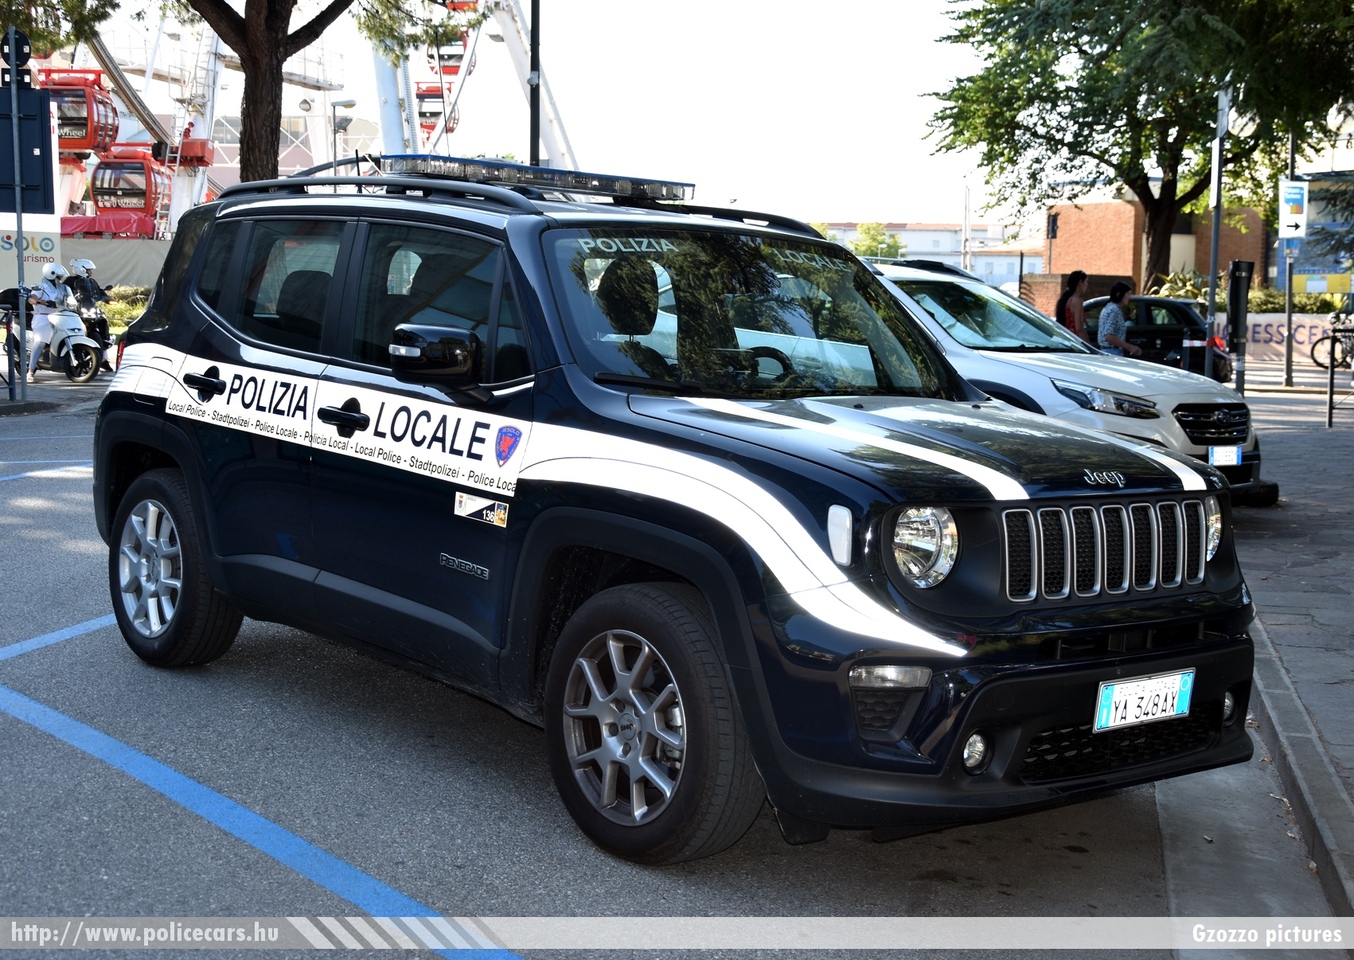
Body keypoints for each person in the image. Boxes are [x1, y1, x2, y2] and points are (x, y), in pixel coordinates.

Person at [24, 263, 74, 383]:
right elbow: (32, 298)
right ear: (51, 275)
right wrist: (39, 302)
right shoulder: (41, 287)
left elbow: (71, 298)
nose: (60, 279)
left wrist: (73, 302)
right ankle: (30, 371)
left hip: (59, 316)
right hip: (43, 318)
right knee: (40, 342)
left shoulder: (64, 288)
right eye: (59, 277)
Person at [68, 258, 114, 369]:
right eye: (89, 270)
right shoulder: (70, 281)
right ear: (81, 269)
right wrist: (69, 299)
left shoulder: (91, 282)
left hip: (89, 309)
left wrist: (107, 298)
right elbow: (64, 292)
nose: (91, 272)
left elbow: (98, 291)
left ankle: (103, 357)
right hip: (76, 310)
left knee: (102, 320)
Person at [1096, 281, 1143, 357]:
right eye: (1128, 294)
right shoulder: (1114, 310)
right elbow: (1109, 336)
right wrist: (1130, 347)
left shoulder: (1109, 307)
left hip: (1109, 351)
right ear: (1119, 294)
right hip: (1112, 352)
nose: (1129, 297)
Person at [1054, 270, 1091, 344]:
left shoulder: (1065, 299)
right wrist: (1089, 345)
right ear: (1080, 282)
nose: (1087, 285)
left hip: (1063, 339)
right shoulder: (1077, 301)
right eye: (1086, 282)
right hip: (1074, 341)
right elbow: (1079, 328)